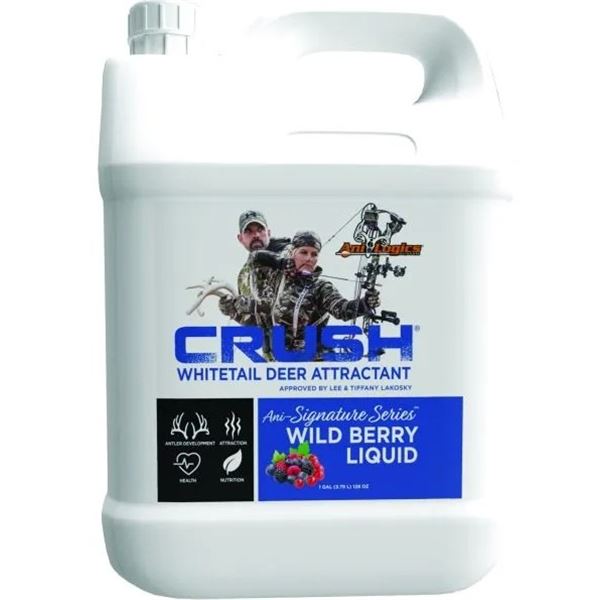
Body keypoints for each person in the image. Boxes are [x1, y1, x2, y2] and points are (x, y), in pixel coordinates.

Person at [246, 230, 380, 355]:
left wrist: (365, 303)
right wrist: (280, 263)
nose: (309, 258)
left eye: (314, 254)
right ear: (293, 253)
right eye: (303, 252)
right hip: (279, 359)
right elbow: (254, 257)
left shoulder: (321, 287)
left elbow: (342, 309)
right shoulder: (278, 276)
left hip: (311, 360)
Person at [218, 210, 290, 326]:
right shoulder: (244, 275)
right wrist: (234, 312)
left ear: (269, 233)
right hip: (269, 337)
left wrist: (253, 305)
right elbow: (253, 324)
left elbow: (297, 304)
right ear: (240, 238)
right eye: (248, 232)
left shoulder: (290, 257)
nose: (256, 235)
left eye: (260, 230)